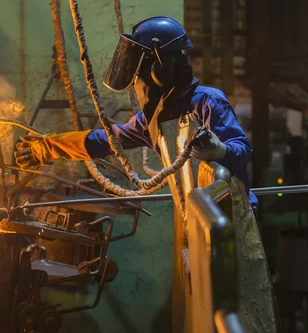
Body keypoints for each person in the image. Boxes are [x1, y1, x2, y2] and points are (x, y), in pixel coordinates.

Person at [14, 16, 257, 210]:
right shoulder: (152, 120)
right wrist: (46, 148)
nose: (136, 81)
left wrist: (220, 150)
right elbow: (105, 141)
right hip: (196, 216)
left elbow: (243, 150)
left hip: (234, 217)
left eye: (138, 71)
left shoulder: (207, 102)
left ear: (160, 69)